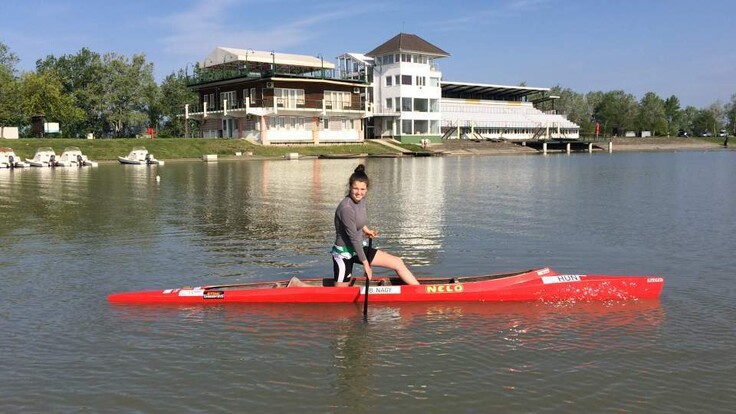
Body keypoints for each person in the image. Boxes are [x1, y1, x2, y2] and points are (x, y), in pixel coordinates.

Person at [331, 164, 419, 287]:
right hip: (344, 253)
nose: (359, 193)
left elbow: (357, 222)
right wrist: (366, 265)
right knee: (339, 295)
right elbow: (353, 238)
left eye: (362, 189)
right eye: (355, 188)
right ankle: (300, 286)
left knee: (397, 262)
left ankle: (421, 290)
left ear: (366, 189)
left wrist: (366, 230)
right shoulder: (346, 208)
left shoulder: (360, 200)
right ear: (350, 187)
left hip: (358, 249)